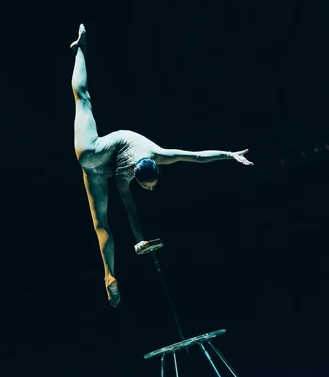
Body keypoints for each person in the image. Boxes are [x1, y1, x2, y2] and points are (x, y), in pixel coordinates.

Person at [70, 24, 253, 307]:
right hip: (92, 155)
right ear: (137, 175)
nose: (150, 189)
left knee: (84, 99)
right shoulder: (143, 164)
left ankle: (110, 276)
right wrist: (140, 239)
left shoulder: (154, 157)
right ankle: (80, 47)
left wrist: (229, 154)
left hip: (98, 162)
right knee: (82, 98)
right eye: (147, 186)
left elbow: (197, 156)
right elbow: (132, 207)